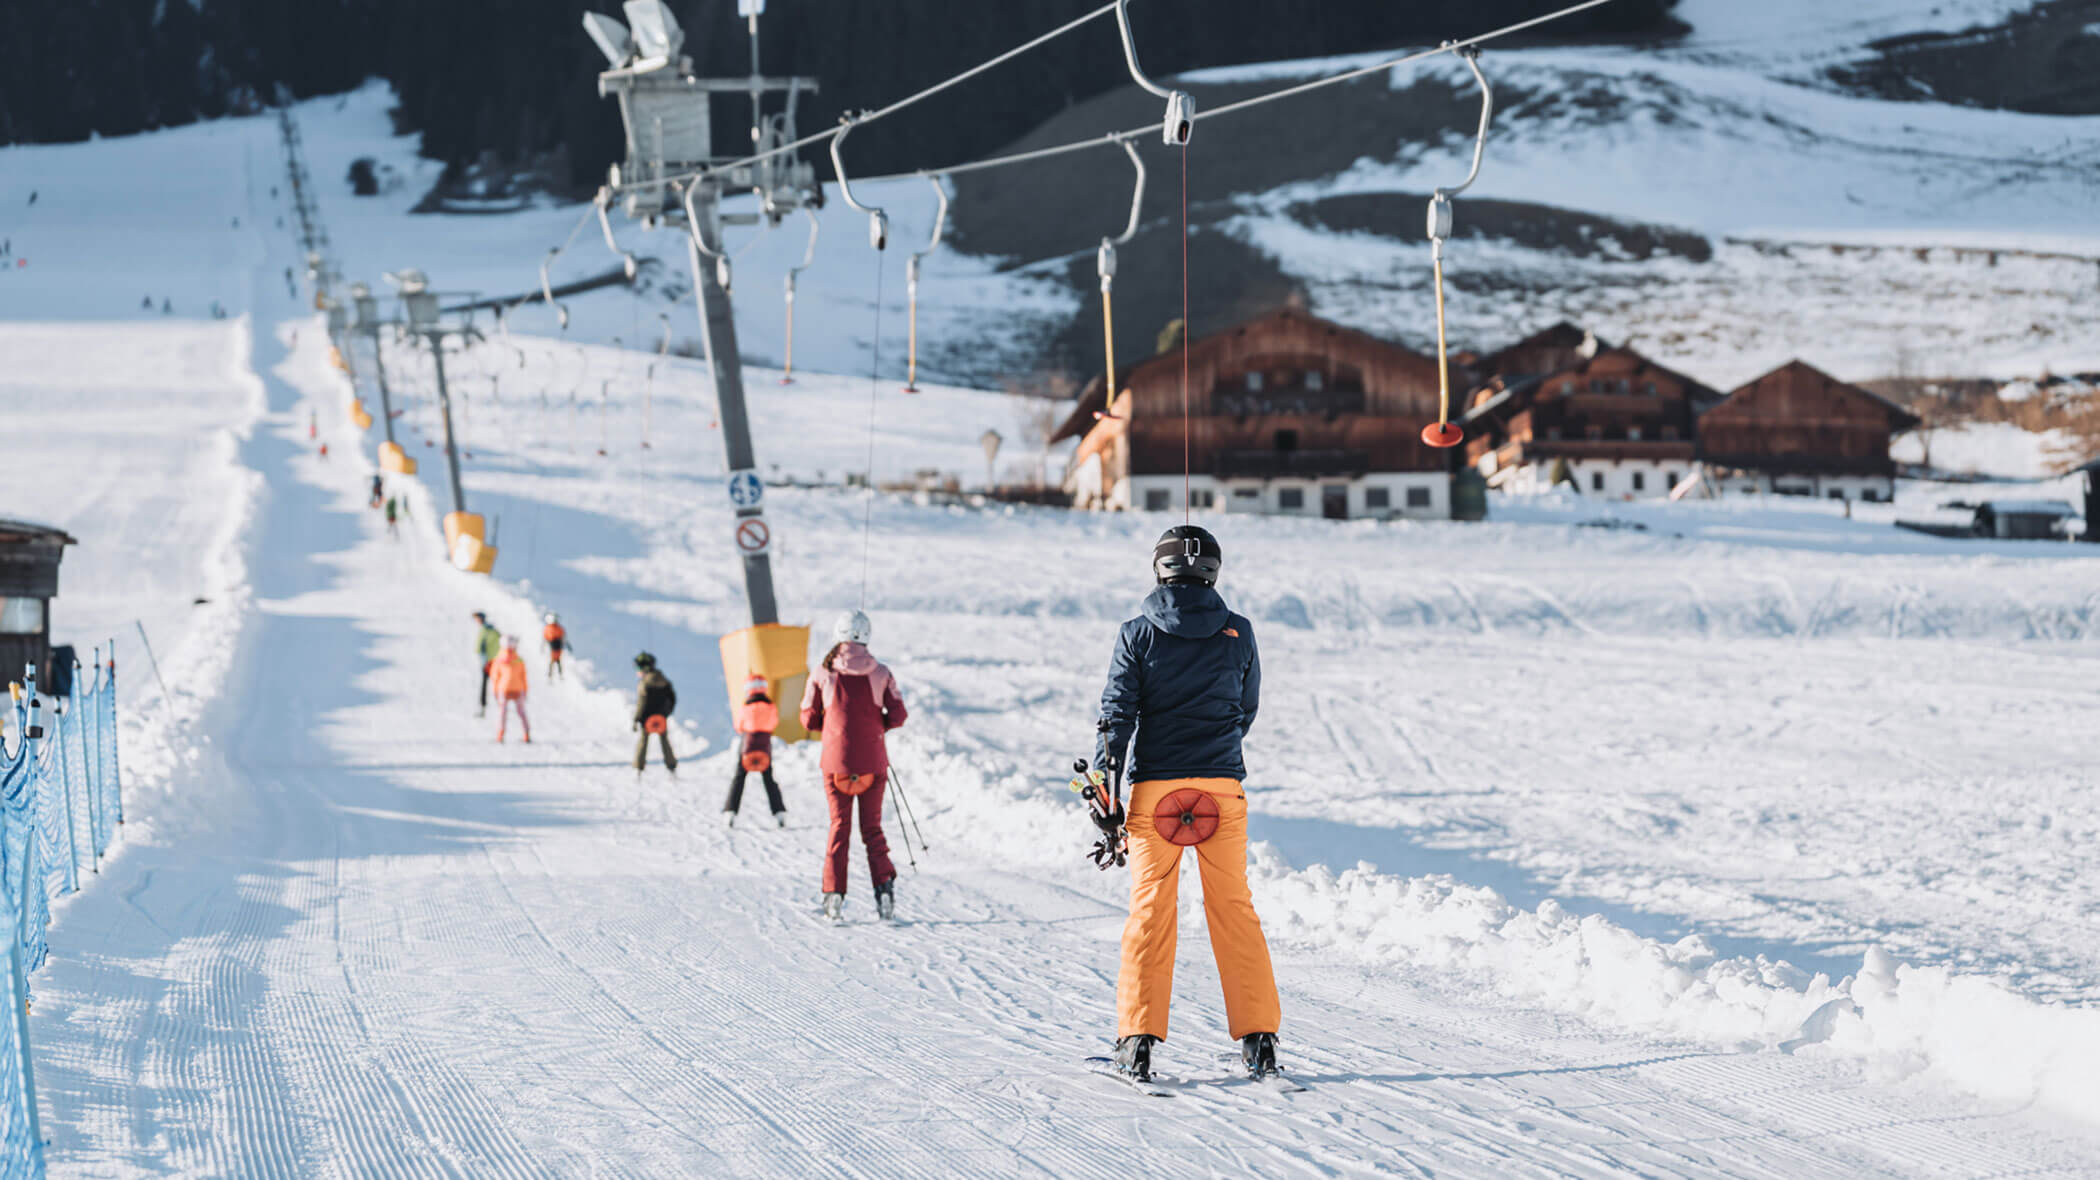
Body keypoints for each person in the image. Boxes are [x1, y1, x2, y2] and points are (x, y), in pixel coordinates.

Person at [1095, 525, 1280, 1083]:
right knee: (1234, 908)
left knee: (1152, 911)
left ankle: (1137, 1041)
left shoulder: (1136, 633)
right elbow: (1246, 709)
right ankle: (1260, 1040)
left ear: (1159, 570)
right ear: (1213, 572)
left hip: (1157, 793)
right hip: (1221, 789)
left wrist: (1107, 790)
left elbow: (1116, 716)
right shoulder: (1239, 631)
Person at [801, 610, 907, 921]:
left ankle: (833, 896)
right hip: (873, 763)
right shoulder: (882, 672)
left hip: (836, 764)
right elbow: (899, 715)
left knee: (839, 827)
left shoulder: (823, 673)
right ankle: (884, 890)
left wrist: (831, 729)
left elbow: (808, 717)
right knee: (872, 828)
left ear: (838, 634)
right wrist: (876, 727)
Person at [725, 675, 786, 828]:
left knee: (739, 778)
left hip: (747, 745)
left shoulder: (746, 707)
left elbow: (739, 727)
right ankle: (779, 812)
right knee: (769, 779)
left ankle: (730, 811)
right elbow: (774, 723)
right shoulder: (771, 706)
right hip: (765, 746)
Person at [632, 652, 677, 773]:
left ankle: (639, 766)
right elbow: (672, 698)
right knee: (664, 740)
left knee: (643, 741)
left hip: (647, 719)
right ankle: (671, 764)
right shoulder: (664, 680)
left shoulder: (644, 683)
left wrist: (637, 718)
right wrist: (666, 713)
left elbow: (641, 702)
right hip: (661, 718)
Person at [490, 636, 530, 743]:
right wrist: (525, 690)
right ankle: (526, 734)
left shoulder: (498, 659)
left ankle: (500, 735)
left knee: (502, 712)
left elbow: (495, 677)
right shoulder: (519, 659)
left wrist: (495, 691)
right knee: (521, 712)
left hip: (503, 688)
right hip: (518, 688)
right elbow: (523, 676)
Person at [472, 611, 501, 716]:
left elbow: (479, 647)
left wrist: (484, 660)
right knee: (495, 683)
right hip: (494, 661)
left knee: (487, 684)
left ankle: (484, 708)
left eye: (477, 618)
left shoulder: (485, 630)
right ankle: (500, 705)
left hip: (488, 662)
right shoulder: (492, 630)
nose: (476, 621)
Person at [542, 613, 568, 679]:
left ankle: (559, 674)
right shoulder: (548, 628)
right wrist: (543, 646)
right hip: (552, 645)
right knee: (553, 660)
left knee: (557, 660)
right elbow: (545, 638)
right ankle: (550, 675)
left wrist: (566, 644)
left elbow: (563, 637)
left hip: (558, 645)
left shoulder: (558, 628)